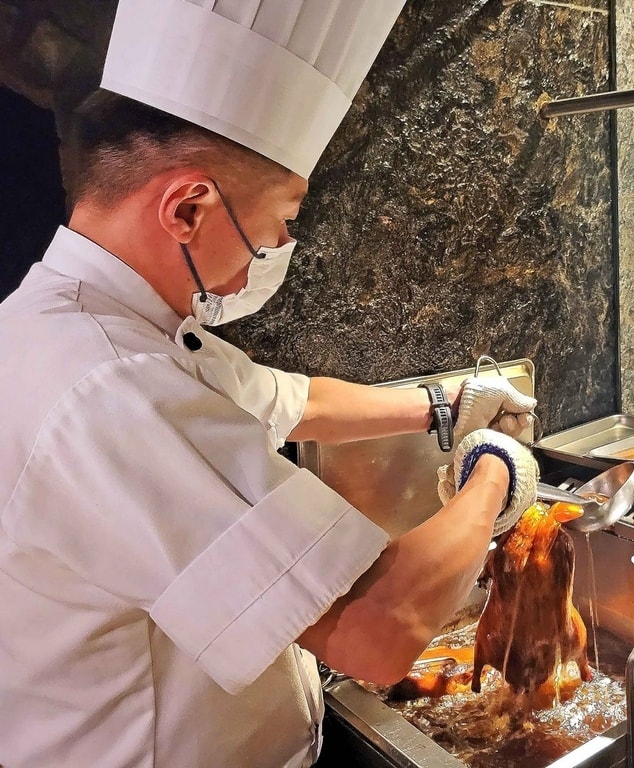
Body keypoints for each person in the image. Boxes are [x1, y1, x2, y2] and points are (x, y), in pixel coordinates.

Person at [0, 2, 540, 767]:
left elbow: (296, 399)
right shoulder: (111, 388)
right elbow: (377, 629)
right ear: (188, 207)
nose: (282, 244)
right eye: (283, 216)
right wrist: (496, 475)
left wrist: (442, 406)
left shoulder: (96, 325)